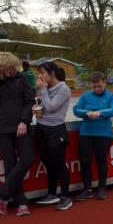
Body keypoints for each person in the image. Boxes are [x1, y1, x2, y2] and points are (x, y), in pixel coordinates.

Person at [0, 52, 36, 217]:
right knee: (10, 163)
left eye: (15, 67)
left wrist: (24, 121)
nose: (14, 70)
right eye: (10, 68)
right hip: (0, 126)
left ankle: (1, 194)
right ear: (1, 69)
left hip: (20, 125)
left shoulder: (21, 77)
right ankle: (21, 202)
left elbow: (30, 100)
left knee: (28, 158)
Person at [72, 71, 113, 201]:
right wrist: (87, 113)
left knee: (101, 159)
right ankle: (87, 189)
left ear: (104, 82)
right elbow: (76, 110)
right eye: (94, 86)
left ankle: (102, 187)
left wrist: (99, 113)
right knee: (85, 161)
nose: (97, 89)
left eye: (99, 86)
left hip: (104, 133)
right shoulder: (85, 95)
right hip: (86, 132)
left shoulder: (111, 96)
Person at [33, 62, 74, 211]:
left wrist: (43, 90)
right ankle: (52, 193)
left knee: (59, 163)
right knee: (48, 163)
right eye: (39, 73)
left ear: (52, 73)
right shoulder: (47, 88)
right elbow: (44, 106)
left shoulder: (64, 89)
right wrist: (36, 107)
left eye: (42, 73)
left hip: (55, 130)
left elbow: (51, 107)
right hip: (41, 128)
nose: (40, 76)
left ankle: (65, 196)